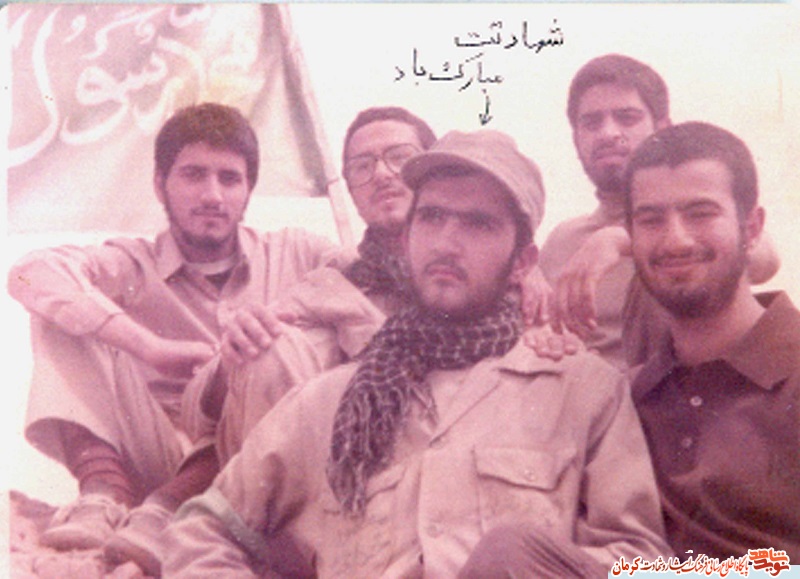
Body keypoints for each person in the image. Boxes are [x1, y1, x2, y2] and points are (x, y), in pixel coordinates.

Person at [162, 130, 670, 577]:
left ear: (523, 261)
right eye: (431, 217)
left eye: (478, 224)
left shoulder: (582, 391)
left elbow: (640, 559)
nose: (446, 242)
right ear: (407, 240)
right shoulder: (332, 401)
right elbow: (203, 528)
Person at [6, 103, 343, 557]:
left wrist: (274, 321)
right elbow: (31, 273)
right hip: (155, 453)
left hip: (248, 465)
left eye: (229, 178)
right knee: (61, 308)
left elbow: (370, 280)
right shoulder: (133, 264)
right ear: (159, 185)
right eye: (193, 175)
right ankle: (104, 493)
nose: (212, 195)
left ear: (248, 190)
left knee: (281, 343)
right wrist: (150, 347)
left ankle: (174, 509)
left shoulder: (295, 253)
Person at [624, 121, 800, 561]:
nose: (675, 240)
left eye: (700, 213)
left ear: (752, 227)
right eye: (651, 220)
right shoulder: (629, 397)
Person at [536, 54, 779, 369]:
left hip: (683, 391)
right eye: (592, 123)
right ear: (576, 137)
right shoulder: (563, 240)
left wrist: (620, 241)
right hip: (588, 392)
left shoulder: (703, 221)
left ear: (662, 127)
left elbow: (765, 258)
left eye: (627, 117)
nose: (608, 133)